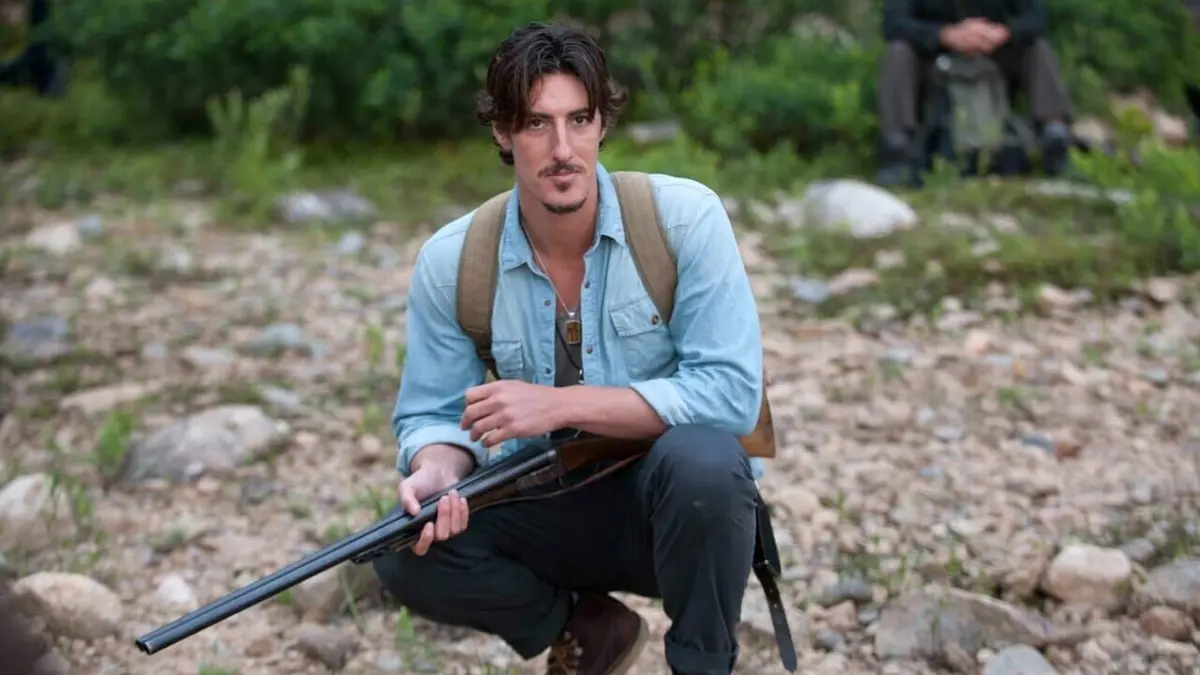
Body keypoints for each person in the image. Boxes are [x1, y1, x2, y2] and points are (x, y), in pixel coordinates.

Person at [370, 21, 769, 675]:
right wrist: (439, 467)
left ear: (601, 123)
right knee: (401, 543)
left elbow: (730, 395)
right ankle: (583, 629)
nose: (563, 149)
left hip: (671, 515)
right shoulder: (453, 260)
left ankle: (703, 665)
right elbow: (433, 414)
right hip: (545, 506)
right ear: (502, 133)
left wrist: (556, 404)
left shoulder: (683, 219)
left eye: (578, 120)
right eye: (537, 124)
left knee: (706, 463)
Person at [875, 0, 1074, 185]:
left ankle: (1054, 131)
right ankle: (896, 145)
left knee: (1036, 47)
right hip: (936, 57)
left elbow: (1036, 17)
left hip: (995, 52)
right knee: (899, 51)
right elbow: (893, 23)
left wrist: (1003, 33)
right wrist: (945, 34)